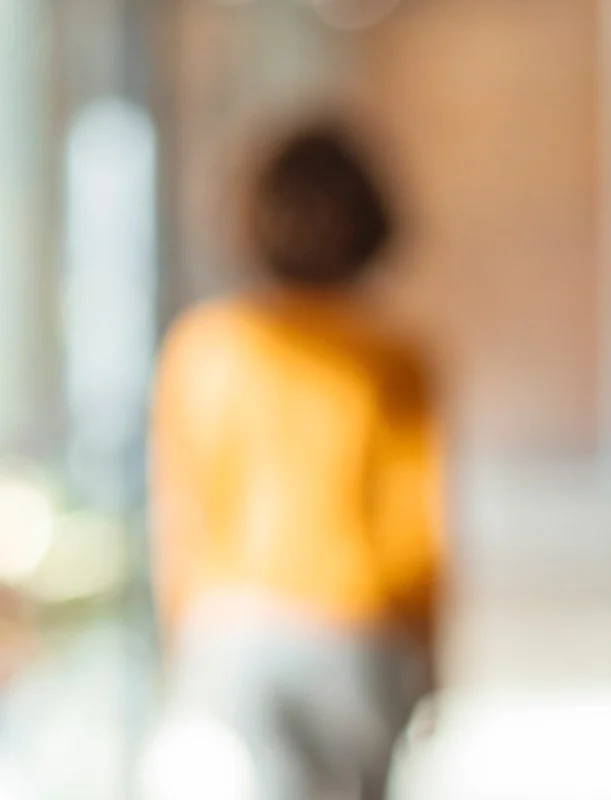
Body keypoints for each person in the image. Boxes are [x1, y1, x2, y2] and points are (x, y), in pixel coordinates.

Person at [149, 121, 439, 800]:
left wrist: (181, 645)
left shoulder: (205, 348)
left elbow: (182, 512)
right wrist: (431, 656)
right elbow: (415, 525)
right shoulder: (393, 359)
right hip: (360, 633)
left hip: (233, 629)